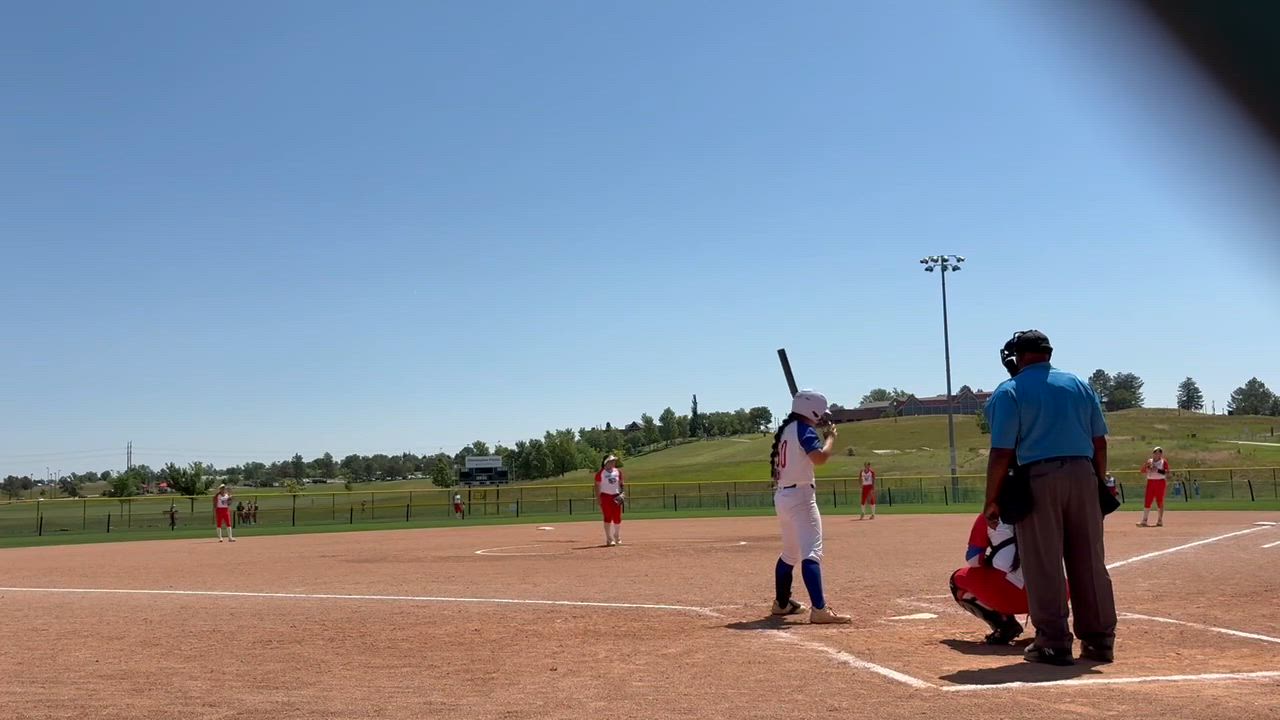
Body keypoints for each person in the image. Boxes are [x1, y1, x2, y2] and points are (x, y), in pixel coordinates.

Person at [983, 330, 1115, 666]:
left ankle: (1053, 642)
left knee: (1043, 562)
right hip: (1083, 474)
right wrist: (1097, 483)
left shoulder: (1010, 391)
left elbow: (1001, 452)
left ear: (1019, 357)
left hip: (1038, 478)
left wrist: (992, 499)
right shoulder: (1079, 385)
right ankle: (1099, 641)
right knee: (1089, 561)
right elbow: (1100, 442)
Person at [768, 390, 852, 624]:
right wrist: (831, 438)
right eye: (820, 413)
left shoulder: (786, 430)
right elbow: (819, 458)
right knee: (812, 552)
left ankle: (782, 604)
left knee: (789, 553)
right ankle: (819, 609)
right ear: (811, 411)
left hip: (784, 495)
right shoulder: (803, 430)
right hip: (801, 497)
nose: (821, 417)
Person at [950, 513, 1027, 645]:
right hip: (1053, 597)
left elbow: (974, 560)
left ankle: (1004, 625)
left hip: (1009, 597)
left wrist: (992, 560)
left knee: (957, 579)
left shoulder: (990, 514)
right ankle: (1050, 630)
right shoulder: (1048, 512)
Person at [594, 455, 625, 546]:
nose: (613, 462)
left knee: (617, 518)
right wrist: (598, 499)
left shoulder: (618, 471)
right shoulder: (600, 473)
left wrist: (622, 493)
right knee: (607, 517)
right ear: (606, 462)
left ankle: (617, 535)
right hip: (605, 496)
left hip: (616, 496)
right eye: (611, 461)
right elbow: (597, 487)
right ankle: (609, 538)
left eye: (614, 461)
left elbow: (621, 483)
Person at [1138, 447, 1170, 527]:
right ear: (1153, 454)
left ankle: (1160, 520)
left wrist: (1157, 470)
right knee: (1148, 500)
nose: (1157, 454)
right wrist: (1147, 467)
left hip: (1160, 482)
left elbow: (1167, 472)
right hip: (1151, 482)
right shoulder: (1149, 461)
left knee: (1159, 501)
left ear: (1161, 454)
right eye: (1155, 453)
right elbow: (1142, 471)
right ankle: (1144, 520)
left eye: (1159, 453)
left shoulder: (1163, 462)